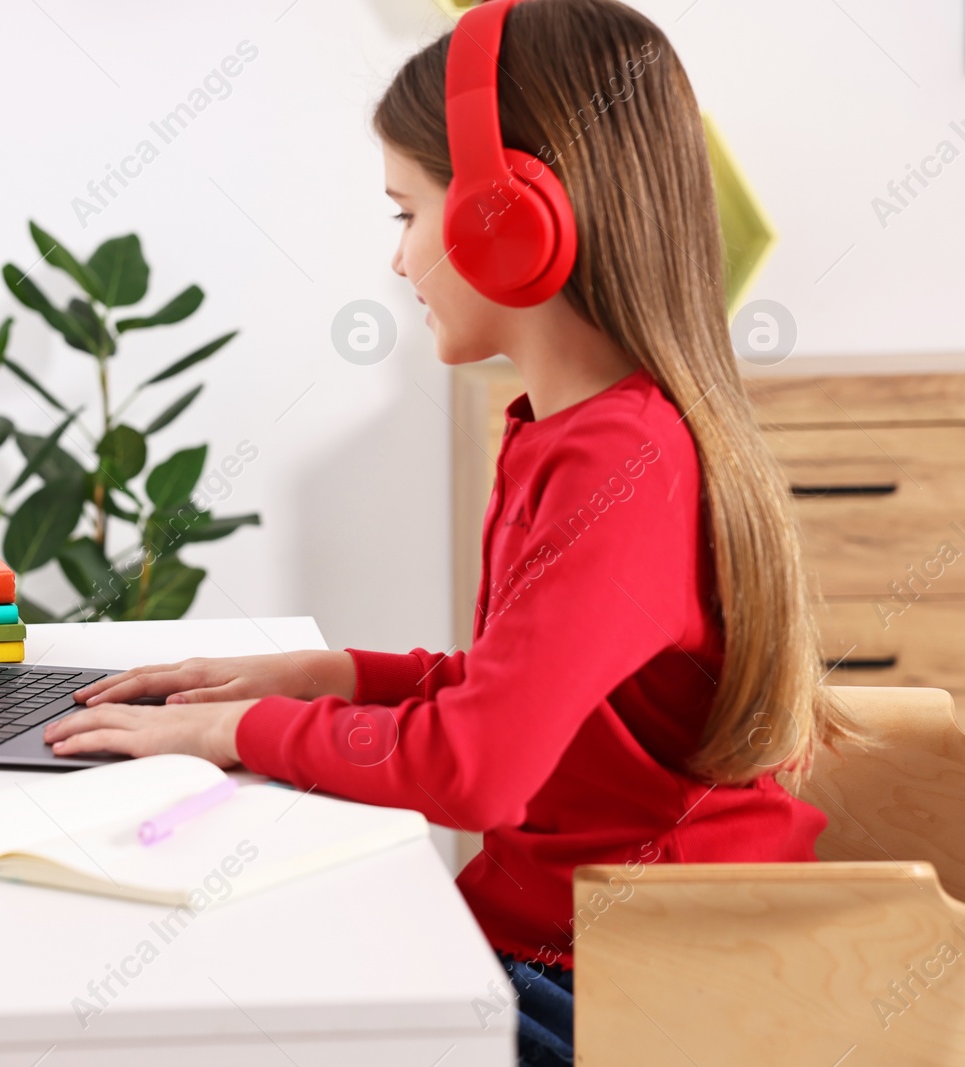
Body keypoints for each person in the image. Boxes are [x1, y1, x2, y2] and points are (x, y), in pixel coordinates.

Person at [44, 1, 858, 1063]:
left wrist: (227, 733)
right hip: (580, 952)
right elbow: (516, 694)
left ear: (510, 216)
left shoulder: (624, 461)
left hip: (649, 992)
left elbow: (476, 768)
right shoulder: (574, 436)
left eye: (403, 213)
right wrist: (321, 671)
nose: (396, 261)